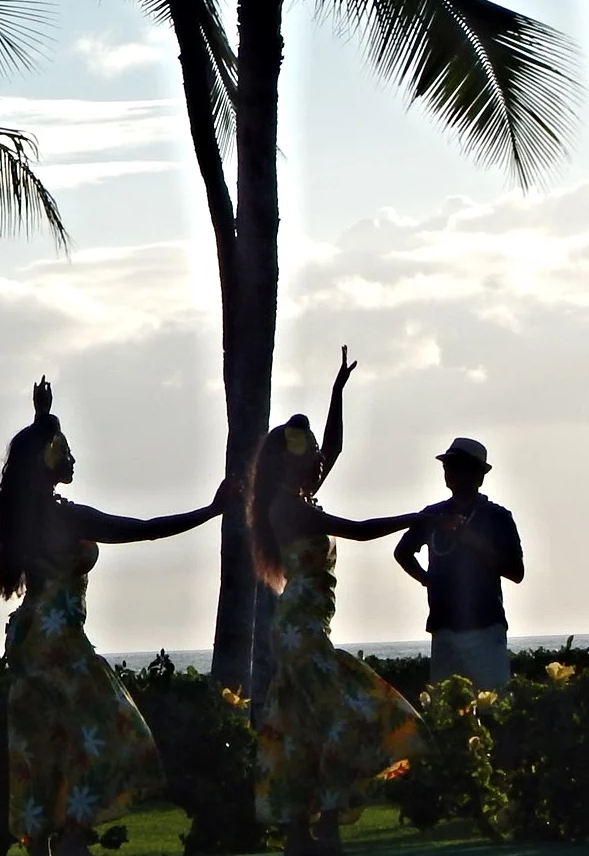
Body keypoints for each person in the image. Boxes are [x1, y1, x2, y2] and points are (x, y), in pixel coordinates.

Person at [0, 378, 230, 856]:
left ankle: (50, 840)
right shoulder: (65, 516)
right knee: (107, 731)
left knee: (45, 743)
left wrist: (42, 418)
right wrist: (210, 511)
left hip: (33, 635)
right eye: (64, 449)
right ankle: (73, 836)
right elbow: (144, 530)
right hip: (59, 640)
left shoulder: (26, 514)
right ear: (49, 458)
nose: (73, 457)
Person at [248, 348, 423, 856]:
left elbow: (337, 448)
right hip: (300, 627)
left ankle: (306, 833)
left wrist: (337, 392)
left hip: (305, 625)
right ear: (293, 460)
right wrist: (420, 517)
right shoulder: (290, 508)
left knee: (304, 727)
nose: (319, 458)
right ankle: (322, 826)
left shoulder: (296, 497)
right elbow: (359, 530)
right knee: (341, 720)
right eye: (311, 453)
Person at [394, 437, 523, 694]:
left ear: (478, 476)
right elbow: (402, 552)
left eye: (458, 466)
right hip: (443, 626)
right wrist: (427, 579)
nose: (450, 472)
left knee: (492, 706)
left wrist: (475, 543)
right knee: (446, 706)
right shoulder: (433, 515)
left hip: (485, 626)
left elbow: (516, 572)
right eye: (448, 466)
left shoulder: (497, 517)